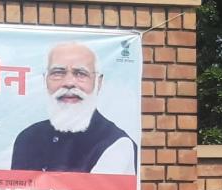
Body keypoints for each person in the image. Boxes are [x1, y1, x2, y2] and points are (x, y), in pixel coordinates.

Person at [11, 42, 136, 174]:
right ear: (45, 80)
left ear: (98, 82)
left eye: (81, 73)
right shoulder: (28, 138)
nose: (69, 83)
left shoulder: (116, 144)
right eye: (58, 73)